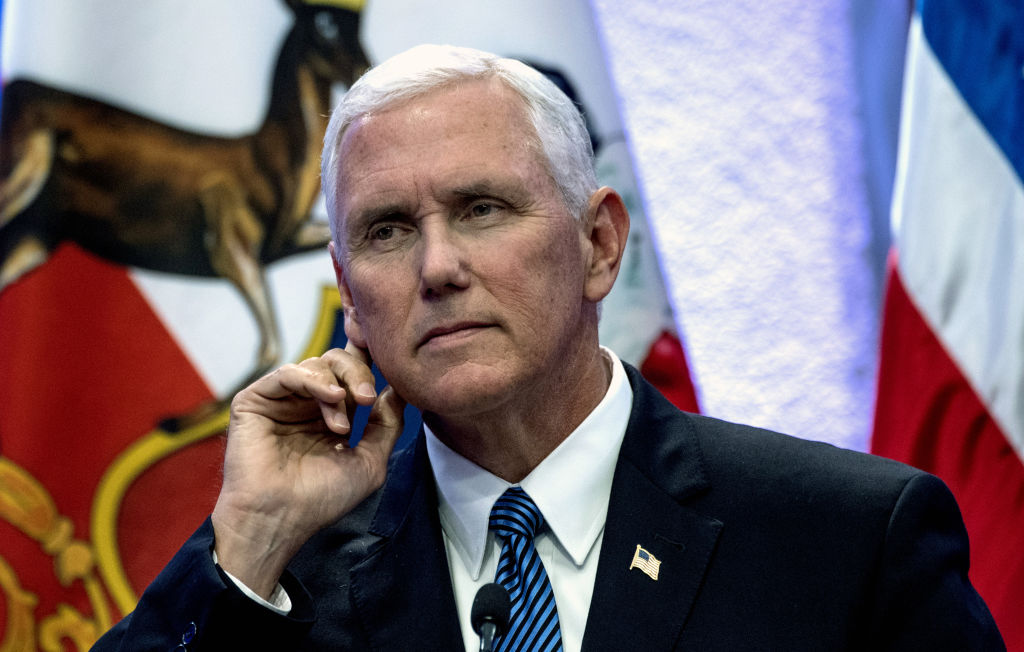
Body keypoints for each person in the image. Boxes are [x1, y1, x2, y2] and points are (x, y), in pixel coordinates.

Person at [92, 44, 1003, 651]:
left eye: (482, 209)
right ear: (350, 298)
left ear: (599, 244)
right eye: (387, 231)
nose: (439, 267)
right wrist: (249, 541)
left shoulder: (844, 542)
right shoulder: (280, 577)